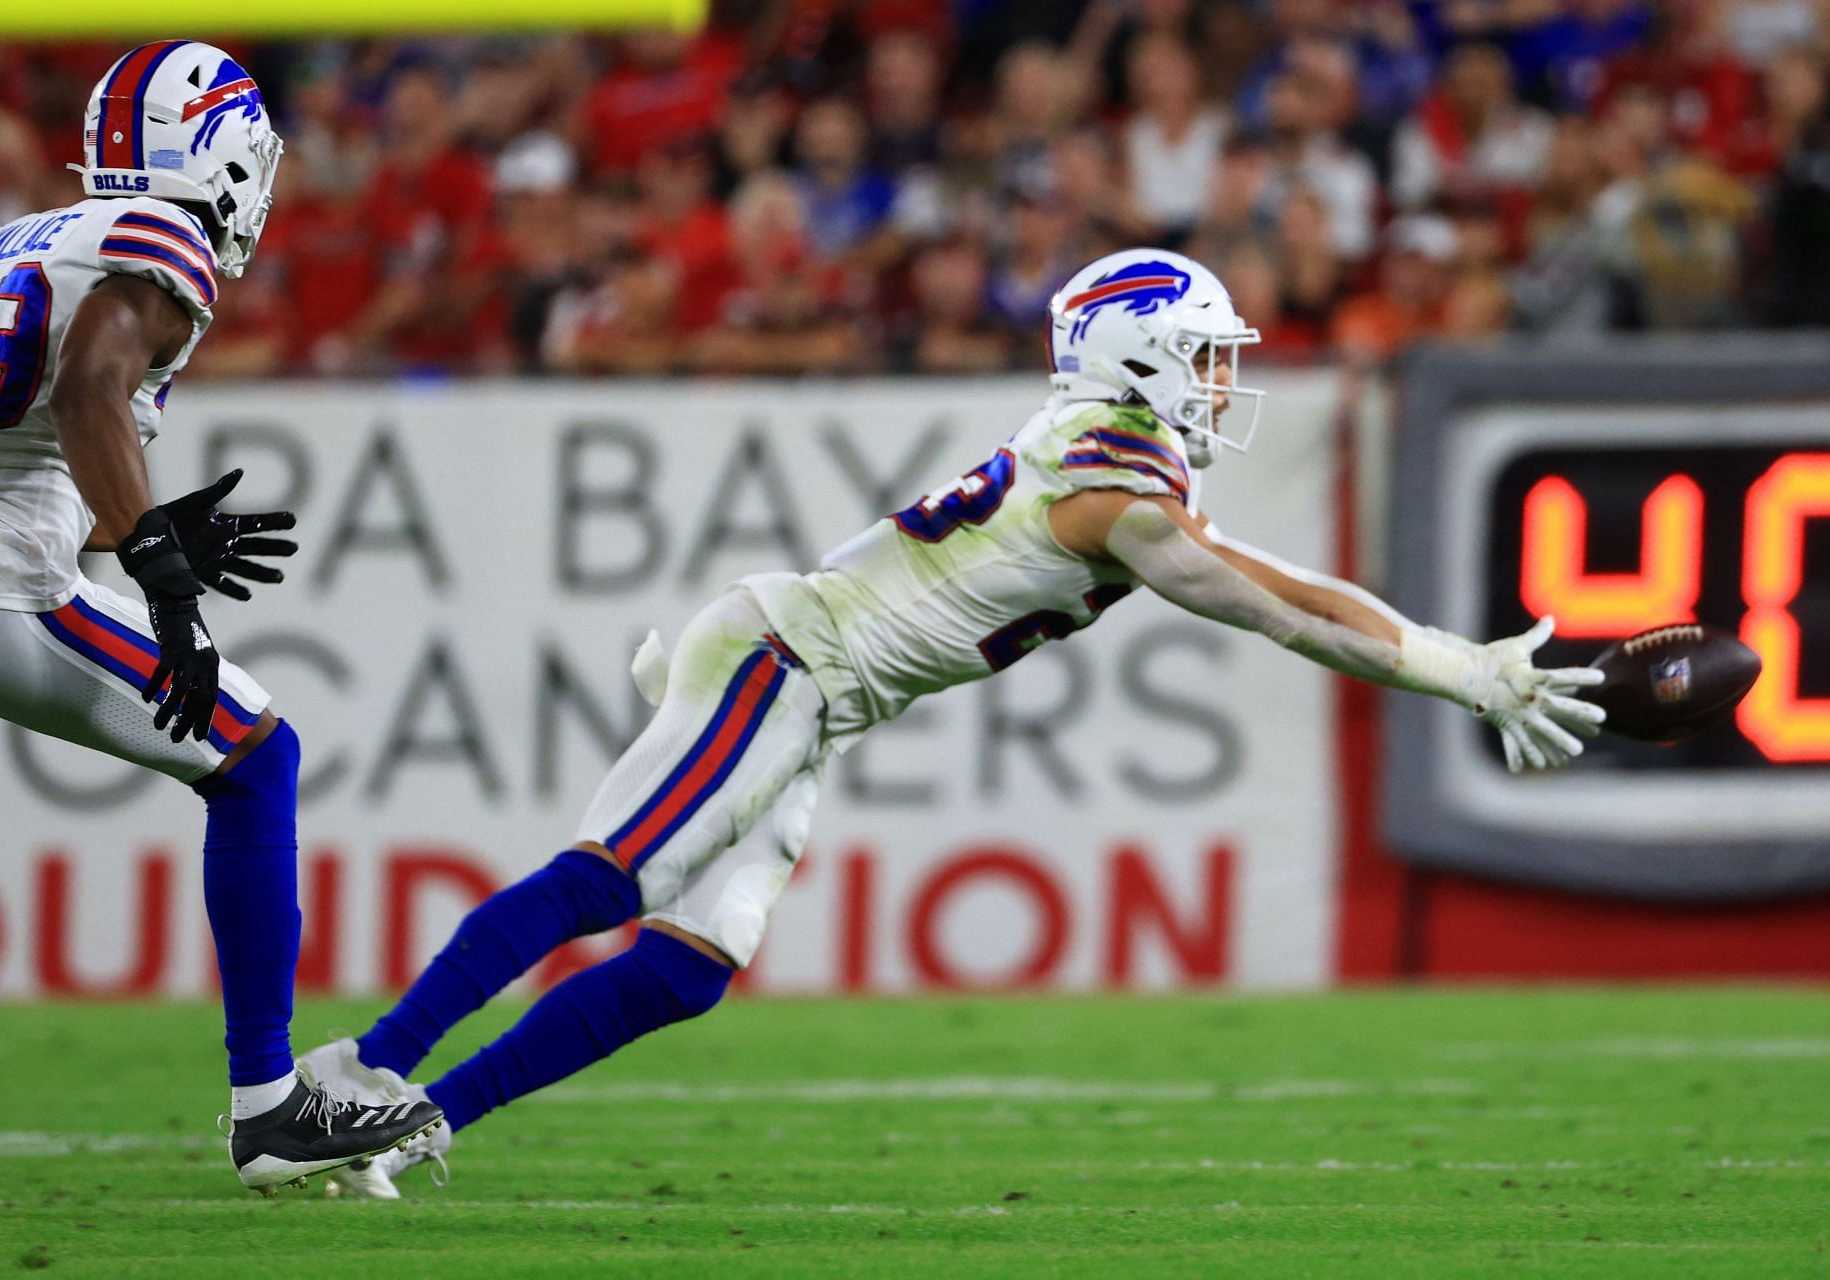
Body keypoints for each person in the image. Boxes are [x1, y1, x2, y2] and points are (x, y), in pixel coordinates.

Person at [303, 249, 1604, 1198]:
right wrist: (1455, 666)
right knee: (611, 881)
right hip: (784, 662)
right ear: (1139, 351)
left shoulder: (1108, 445)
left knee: (689, 966)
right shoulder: (1114, 492)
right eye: (1205, 351)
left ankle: (426, 1117)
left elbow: (1252, 575)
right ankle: (360, 1073)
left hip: (814, 700)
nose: (1221, 378)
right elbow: (1271, 605)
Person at [0, 39, 441, 1195]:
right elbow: (89, 384)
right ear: (222, 152)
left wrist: (139, 529)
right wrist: (162, 573)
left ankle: (272, 1107)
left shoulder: (28, 234)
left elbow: (23, 452)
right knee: (255, 754)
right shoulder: (165, 234)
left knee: (252, 751)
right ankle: (268, 1105)